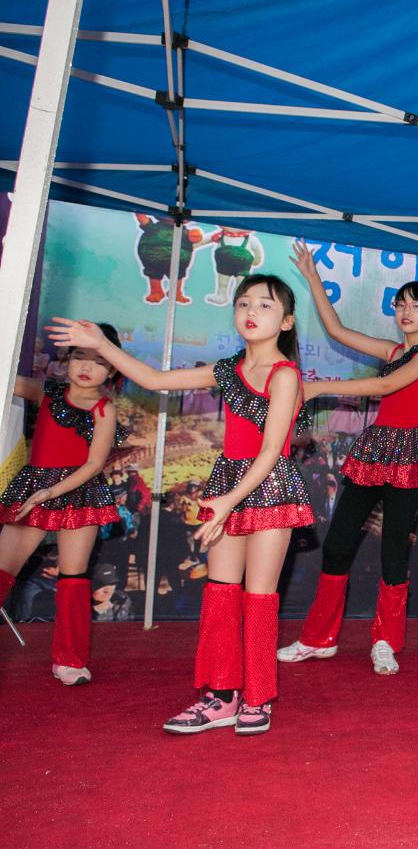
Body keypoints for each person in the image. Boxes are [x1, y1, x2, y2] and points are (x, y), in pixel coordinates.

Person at [51, 274, 314, 734]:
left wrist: (228, 502)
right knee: (220, 594)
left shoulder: (285, 375)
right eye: (243, 303)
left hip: (268, 488)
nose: (251, 311)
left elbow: (272, 449)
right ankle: (220, 695)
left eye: (265, 306)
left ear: (287, 321)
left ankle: (258, 697)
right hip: (228, 483)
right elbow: (154, 379)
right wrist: (102, 345)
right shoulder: (226, 370)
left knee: (259, 597)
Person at [277, 241, 418, 676]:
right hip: (375, 451)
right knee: (337, 545)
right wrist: (312, 277)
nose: (406, 311)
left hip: (408, 455)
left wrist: (319, 387)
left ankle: (386, 641)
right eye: (401, 304)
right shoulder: (394, 352)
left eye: (417, 305)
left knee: (393, 550)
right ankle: (318, 639)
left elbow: (387, 390)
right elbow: (337, 331)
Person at [0, 326, 125, 685]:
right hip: (33, 487)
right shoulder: (46, 392)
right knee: (3, 568)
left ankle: (69, 660)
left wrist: (50, 493)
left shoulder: (104, 408)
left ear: (112, 370)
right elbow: (7, 378)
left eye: (99, 360)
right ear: (65, 361)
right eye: (80, 356)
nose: (87, 367)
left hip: (77, 491)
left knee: (73, 576)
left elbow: (93, 463)